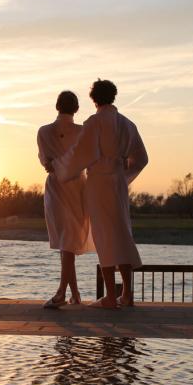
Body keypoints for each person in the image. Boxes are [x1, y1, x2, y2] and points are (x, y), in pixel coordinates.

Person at [53, 79, 148, 309]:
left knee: (103, 235)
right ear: (113, 97)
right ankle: (127, 293)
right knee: (122, 233)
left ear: (94, 99)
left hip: (98, 183)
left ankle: (109, 297)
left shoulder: (94, 123)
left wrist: (60, 167)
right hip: (117, 184)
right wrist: (124, 175)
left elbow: (79, 153)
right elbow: (142, 159)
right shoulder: (128, 124)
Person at [37, 90, 94, 308]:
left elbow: (46, 162)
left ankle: (62, 293)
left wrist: (54, 164)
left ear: (57, 106)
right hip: (78, 186)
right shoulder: (82, 131)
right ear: (76, 109)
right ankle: (75, 294)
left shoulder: (44, 131)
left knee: (66, 241)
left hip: (57, 185)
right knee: (67, 242)